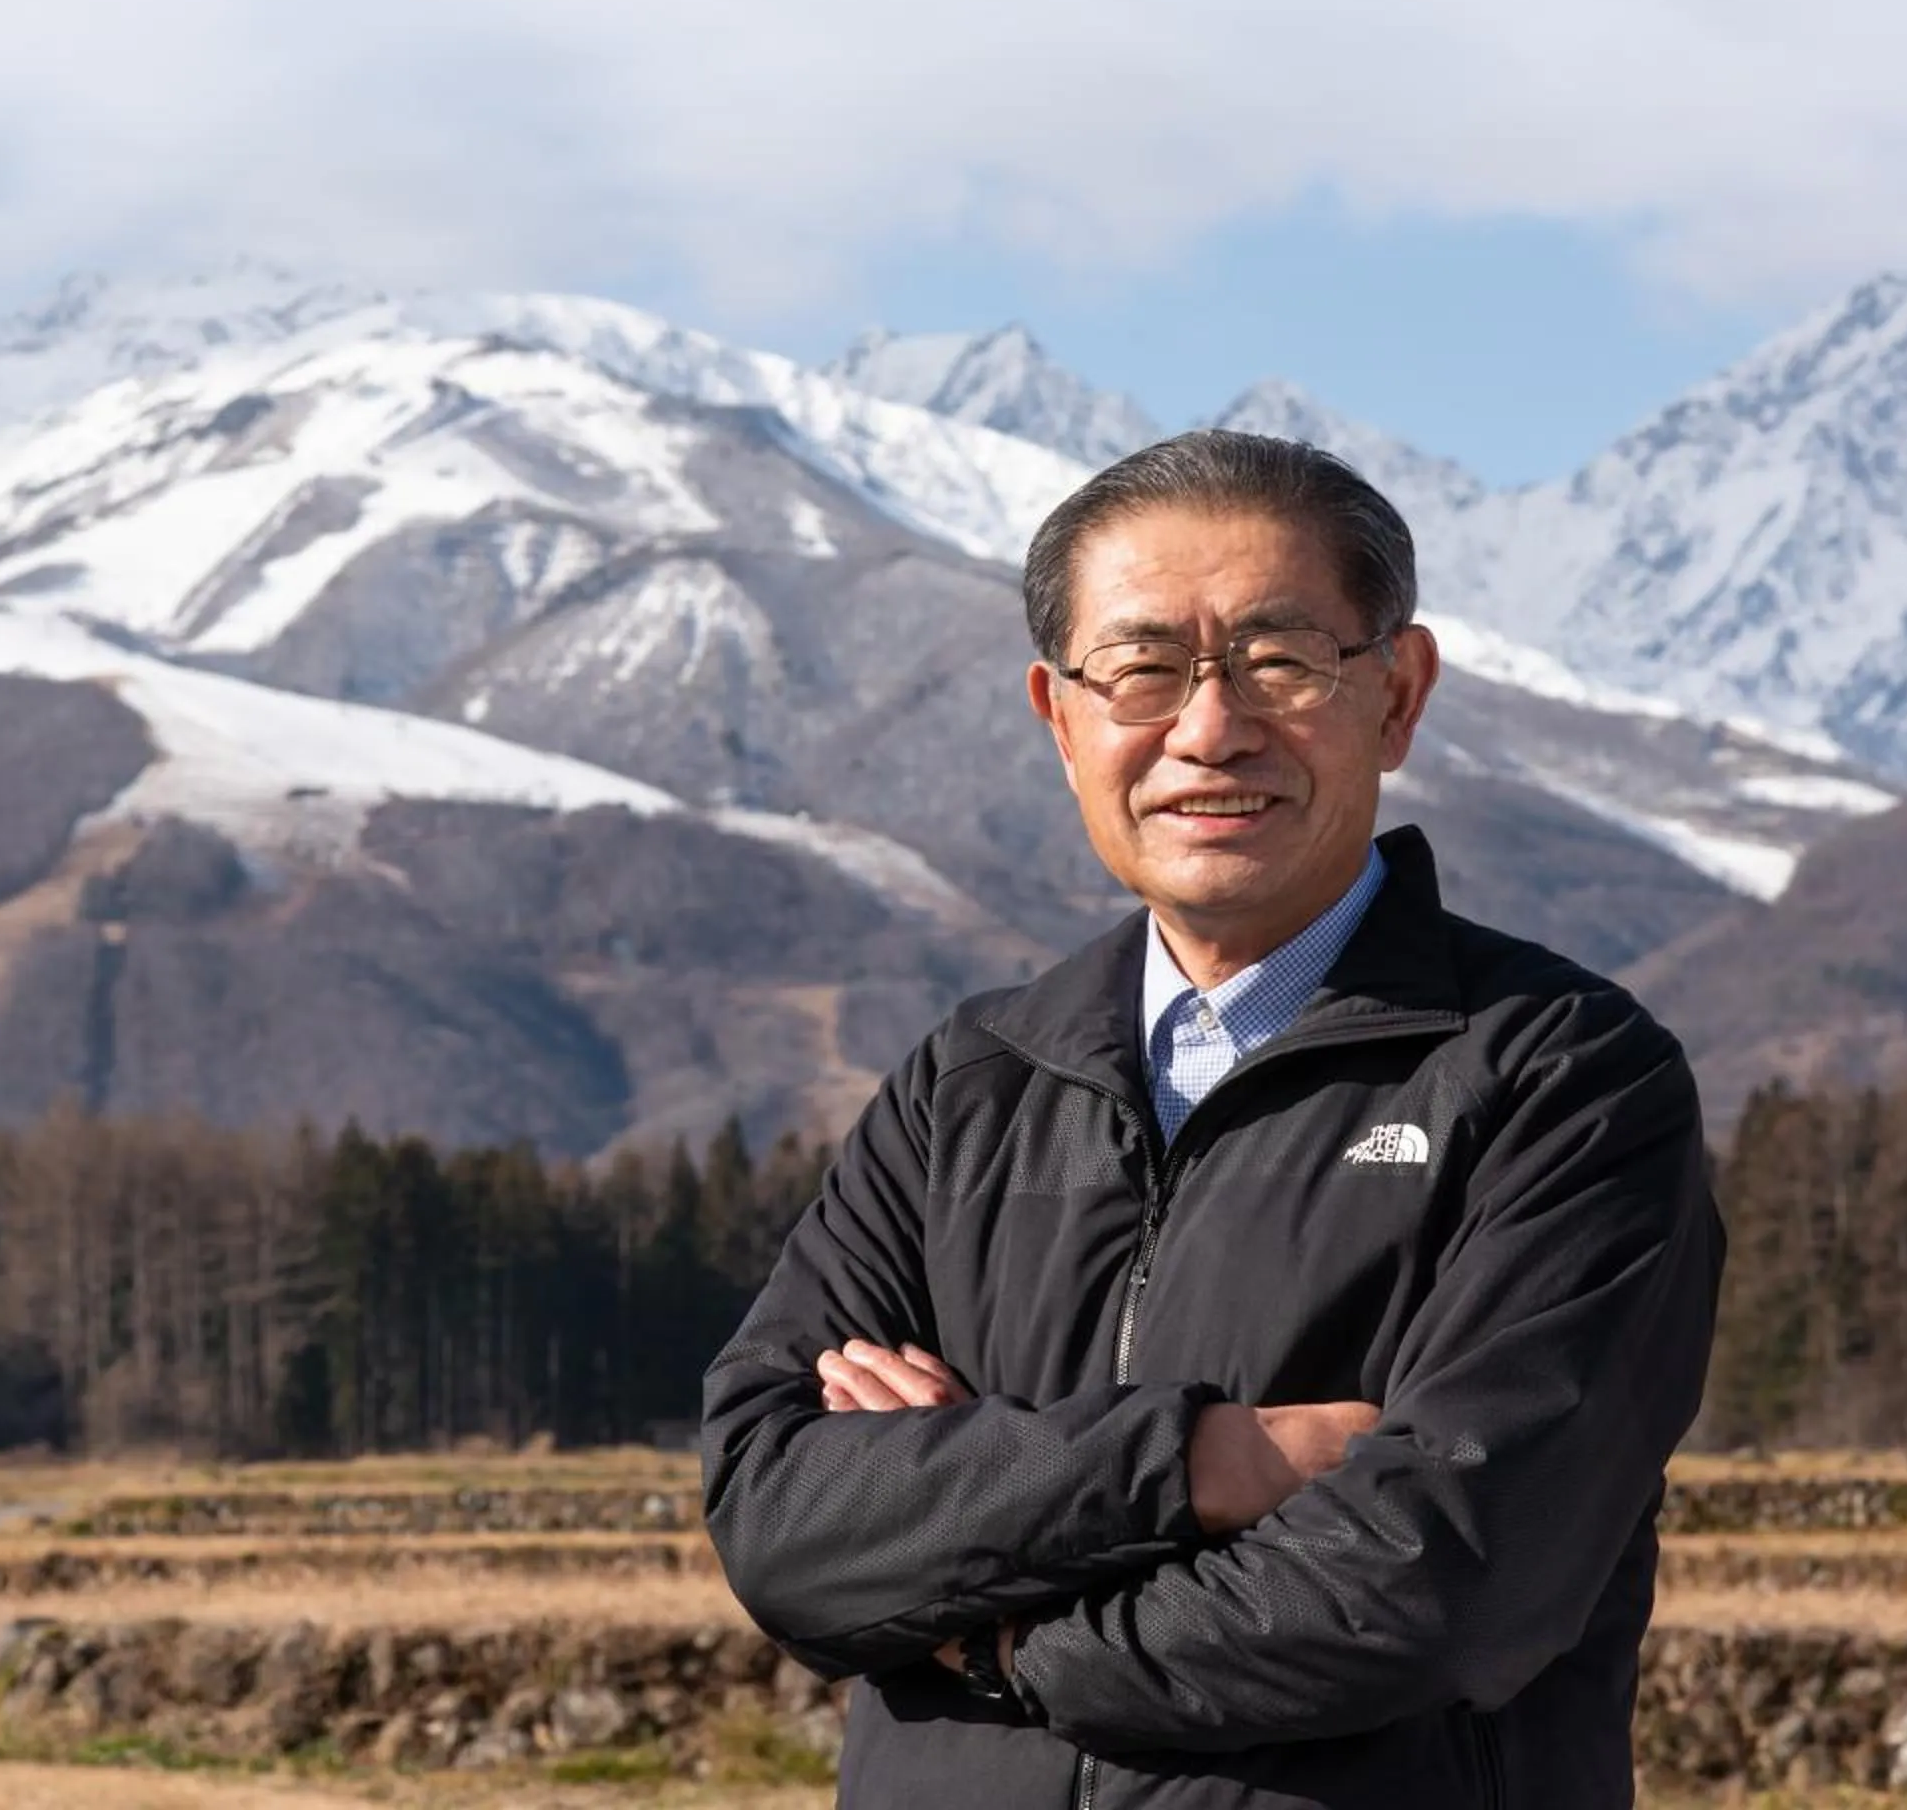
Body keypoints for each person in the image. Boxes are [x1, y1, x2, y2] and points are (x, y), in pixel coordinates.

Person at [701, 431, 1722, 1808]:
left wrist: (990, 1629)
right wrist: (1211, 1461)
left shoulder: (1559, 1080)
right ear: (1057, 715)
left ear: (1399, 696)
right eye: (1140, 670)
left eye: (1279, 661)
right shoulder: (973, 1084)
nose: (1207, 727)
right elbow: (782, 1522)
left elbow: (1439, 1583)